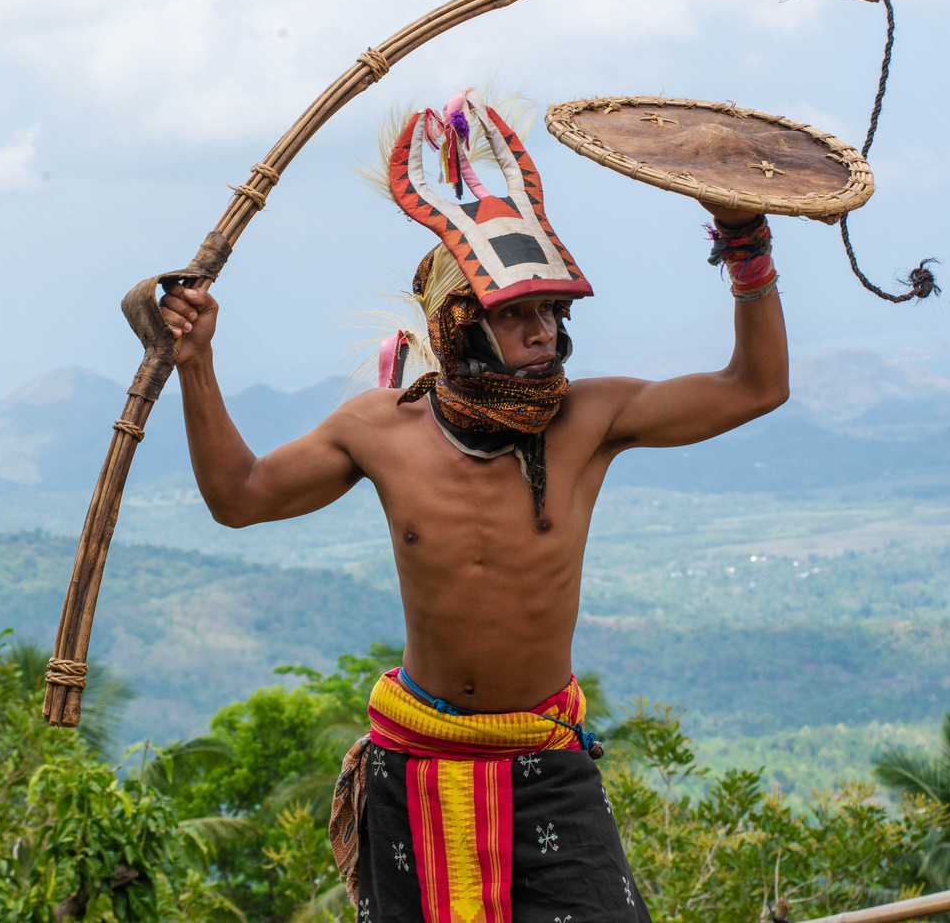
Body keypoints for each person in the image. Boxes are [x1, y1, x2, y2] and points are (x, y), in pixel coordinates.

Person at [158, 89, 788, 923]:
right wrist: (195, 363)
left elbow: (756, 386)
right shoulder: (379, 431)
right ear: (459, 322)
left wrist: (743, 239)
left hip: (545, 767)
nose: (542, 331)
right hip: (413, 766)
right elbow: (238, 499)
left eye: (550, 312)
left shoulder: (591, 420)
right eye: (517, 312)